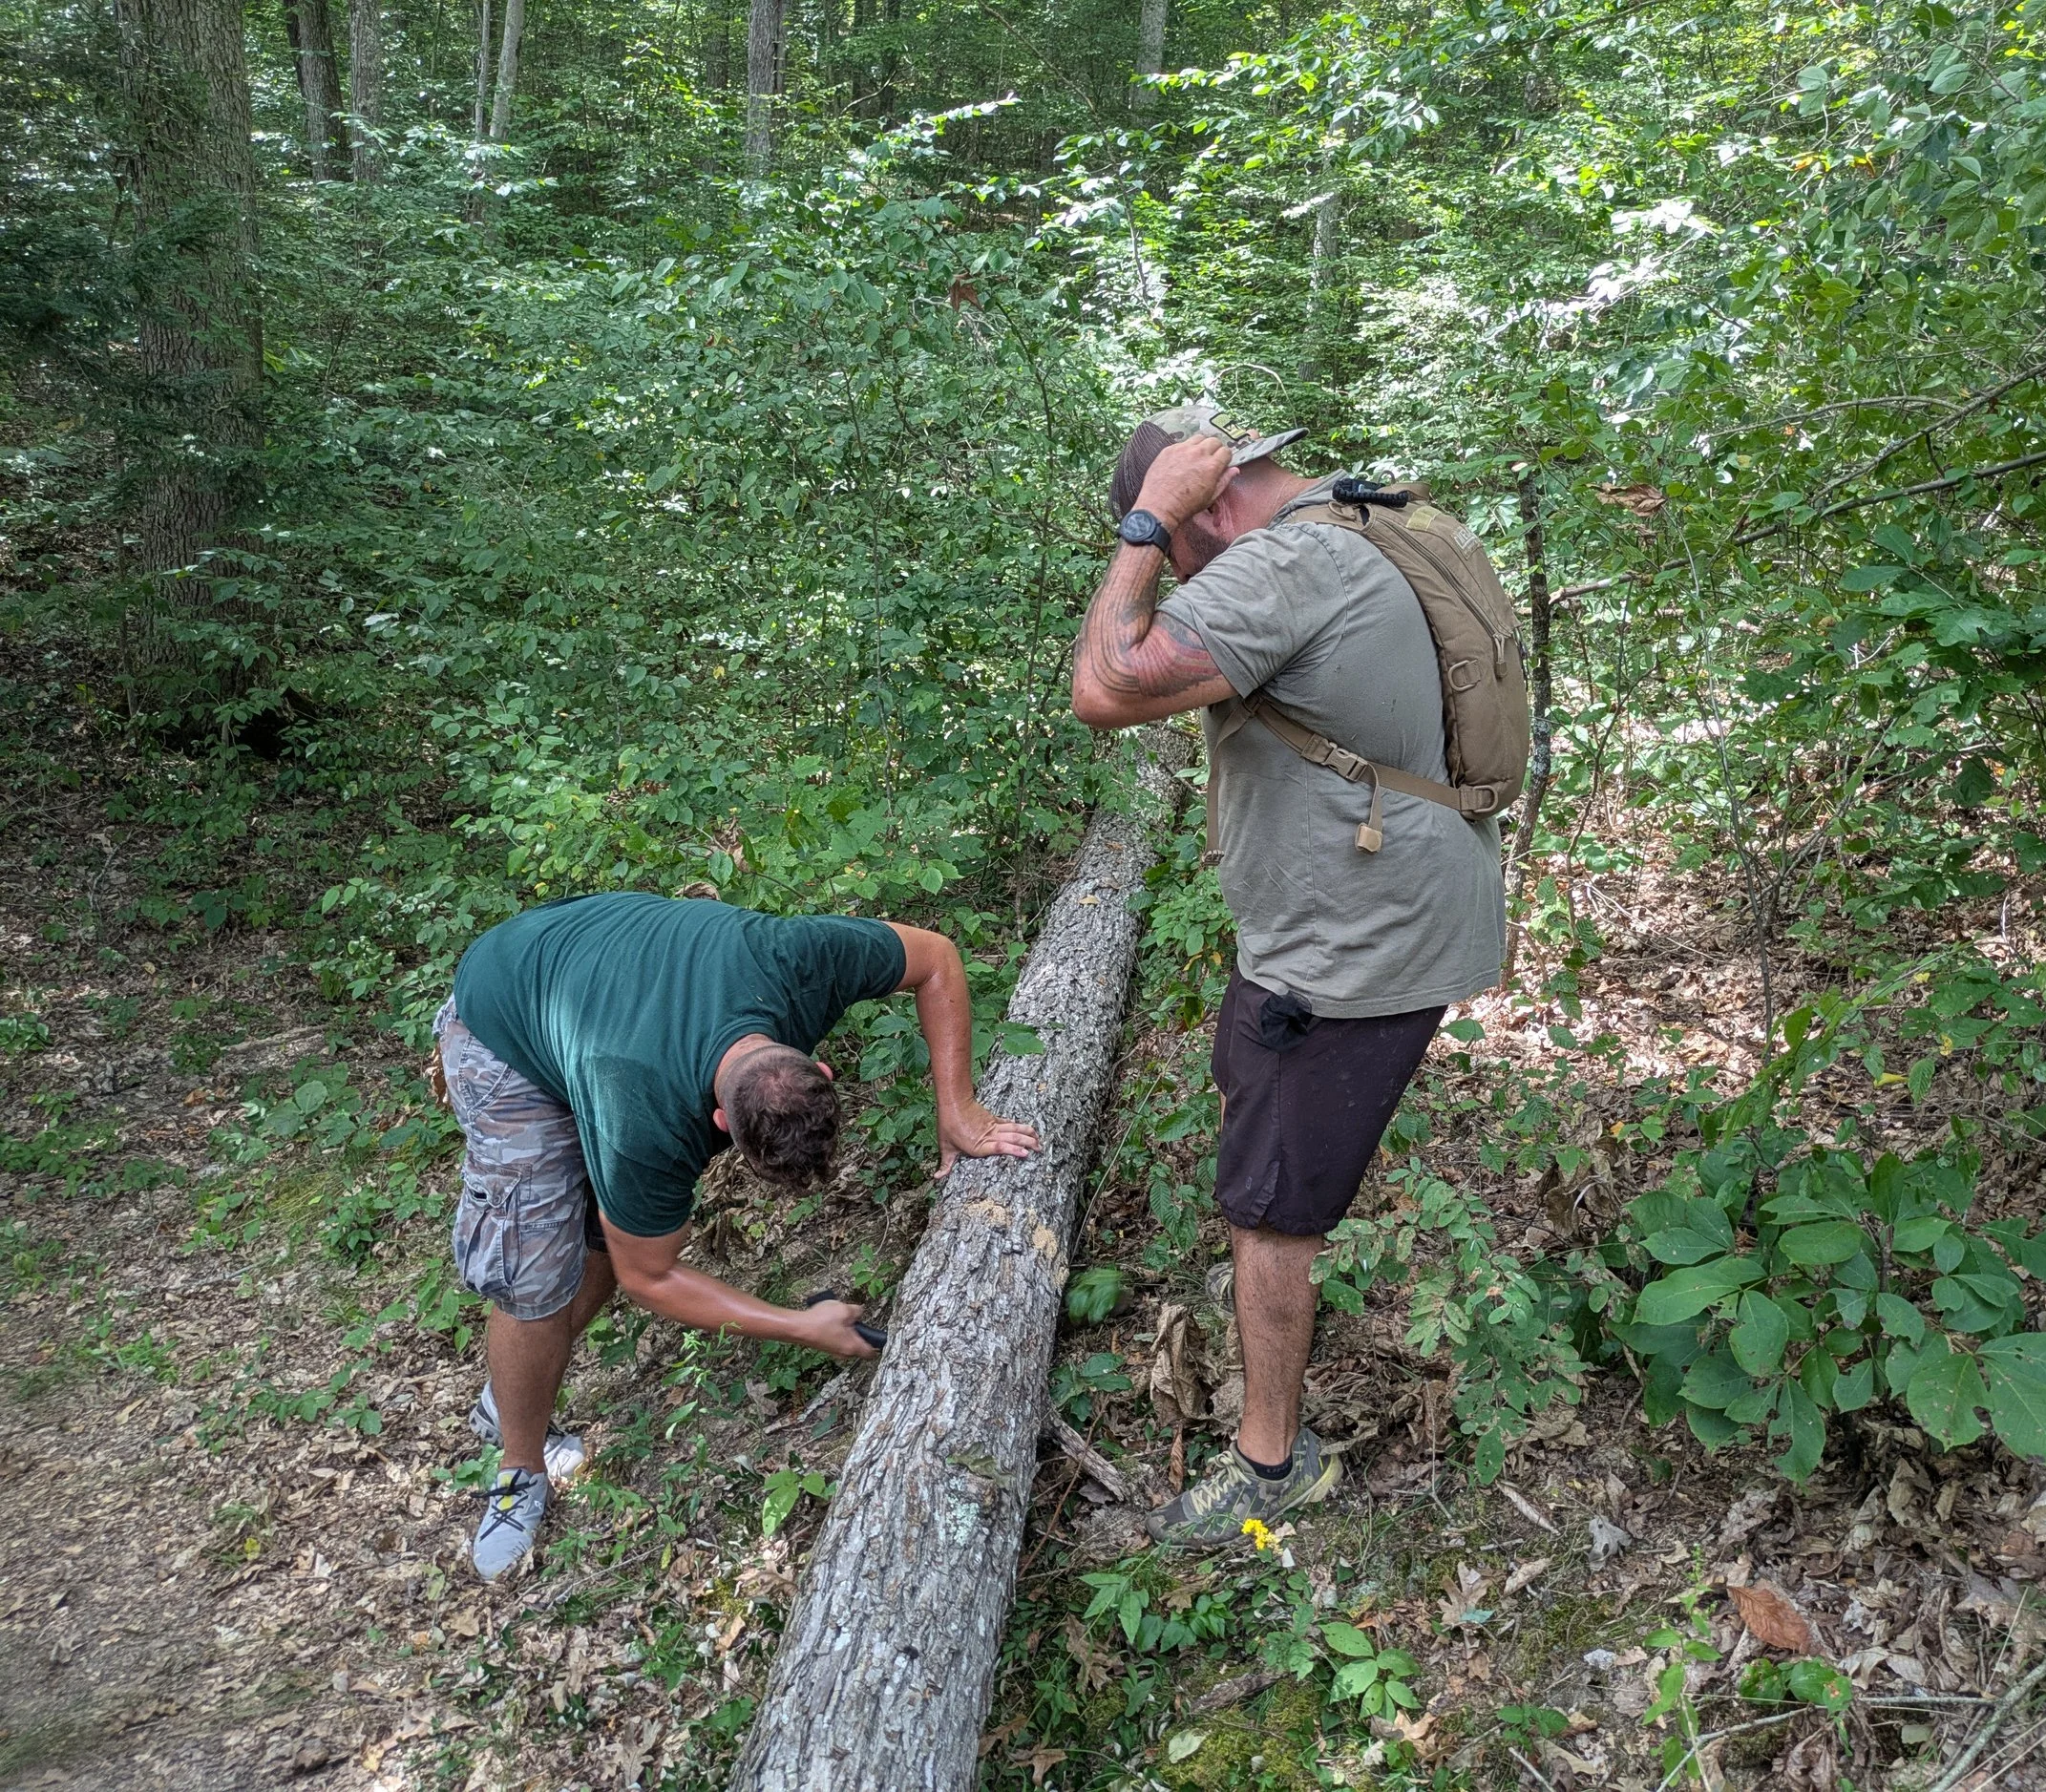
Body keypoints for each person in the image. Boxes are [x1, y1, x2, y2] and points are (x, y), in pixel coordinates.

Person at [1072, 403, 1504, 1546]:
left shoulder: (1289, 560)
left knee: (1270, 1208)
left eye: (1179, 543)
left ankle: (1271, 1462)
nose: (1174, 569)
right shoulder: (1359, 520)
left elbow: (1106, 684)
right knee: (1271, 1160)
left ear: (1208, 500)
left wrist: (1141, 526)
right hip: (1379, 909)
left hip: (1343, 947)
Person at [433, 891, 1040, 1578]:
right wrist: (800, 1325)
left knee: (612, 1231)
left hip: (589, 971)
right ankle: (520, 1464)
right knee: (535, 1275)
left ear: (822, 1069)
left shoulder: (800, 961)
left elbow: (935, 957)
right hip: (503, 1017)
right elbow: (650, 1276)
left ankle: (512, 1386)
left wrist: (956, 1106)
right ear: (720, 1124)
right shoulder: (642, 1116)